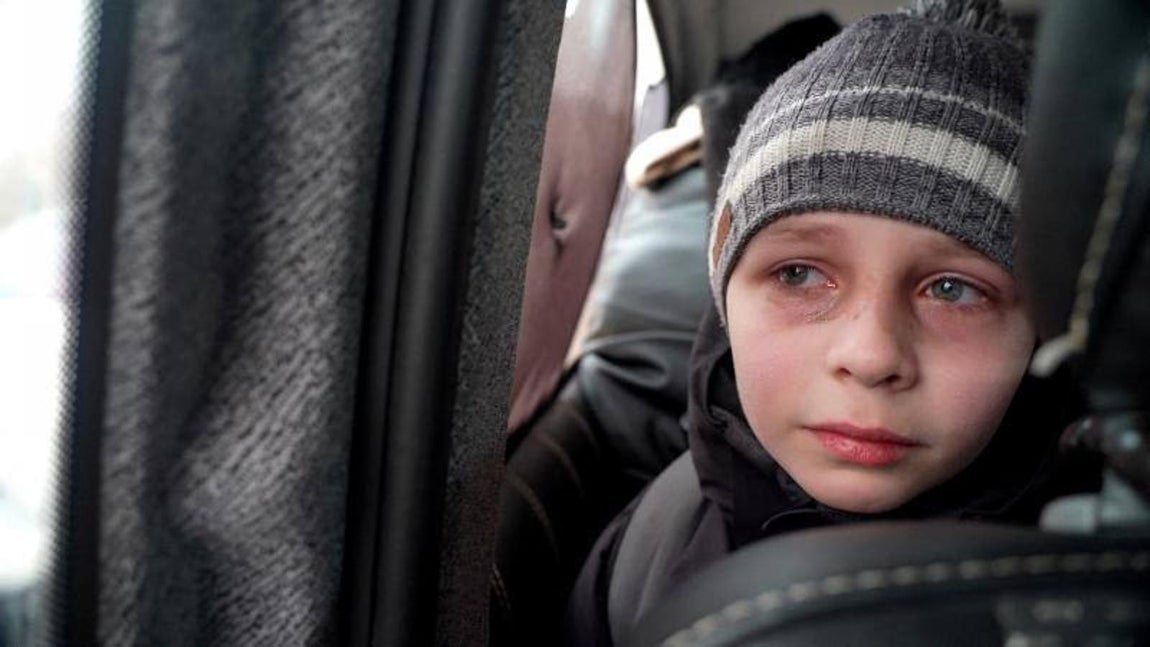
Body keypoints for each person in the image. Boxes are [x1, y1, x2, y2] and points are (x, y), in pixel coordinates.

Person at [562, 1, 1098, 645]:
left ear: (1042, 330)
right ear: (724, 295)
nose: (871, 356)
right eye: (799, 275)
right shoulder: (647, 547)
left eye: (953, 289)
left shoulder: (1093, 580)